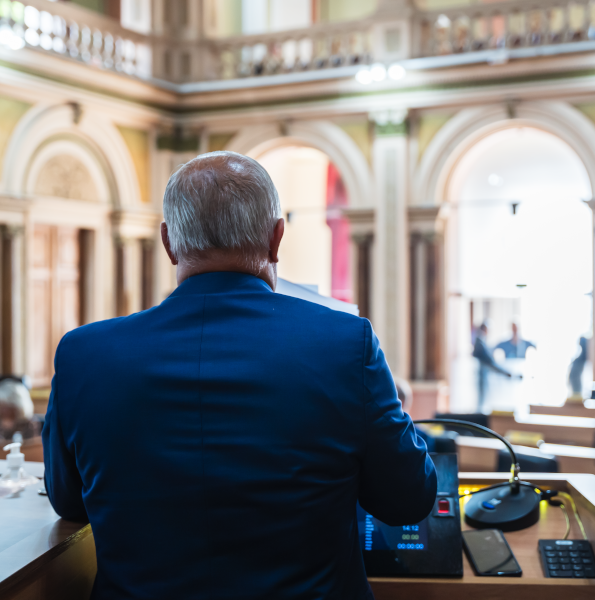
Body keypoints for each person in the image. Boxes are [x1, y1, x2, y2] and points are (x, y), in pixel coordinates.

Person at [43, 151, 436, 599]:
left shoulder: (83, 354)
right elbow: (408, 499)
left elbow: (68, 500)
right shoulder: (344, 344)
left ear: (169, 243)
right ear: (276, 238)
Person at [473, 323, 515, 411]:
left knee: (482, 404)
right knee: (481, 404)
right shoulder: (480, 344)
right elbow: (490, 362)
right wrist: (505, 373)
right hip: (481, 378)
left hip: (484, 378)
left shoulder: (481, 343)